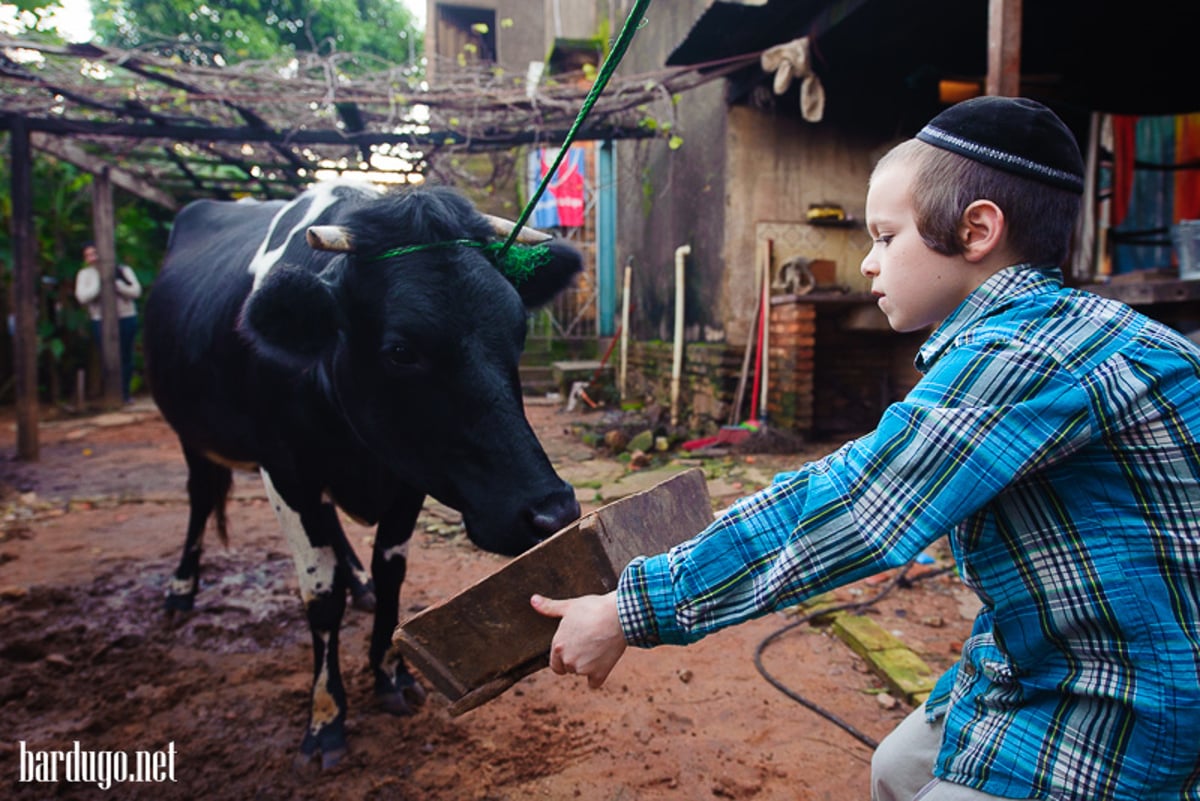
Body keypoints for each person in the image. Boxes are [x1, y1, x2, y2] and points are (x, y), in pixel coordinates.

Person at [531, 96, 1200, 801]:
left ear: (976, 231)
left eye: (885, 236)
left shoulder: (1027, 355)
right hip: (1052, 655)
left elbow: (858, 503)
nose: (868, 263)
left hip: (1129, 701)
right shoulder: (1059, 330)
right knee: (895, 767)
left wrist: (628, 609)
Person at [75, 241, 142, 403]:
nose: (92, 258)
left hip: (126, 317)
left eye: (94, 253)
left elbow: (136, 291)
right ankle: (111, 393)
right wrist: (99, 283)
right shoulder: (85, 274)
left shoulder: (123, 270)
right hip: (100, 320)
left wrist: (119, 286)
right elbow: (82, 297)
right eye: (88, 255)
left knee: (126, 355)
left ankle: (125, 394)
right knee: (107, 357)